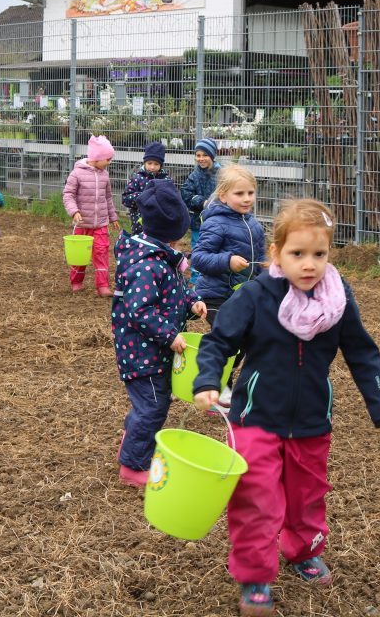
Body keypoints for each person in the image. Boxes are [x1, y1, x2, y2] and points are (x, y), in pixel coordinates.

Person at [192, 199, 380, 616]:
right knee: (255, 498)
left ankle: (303, 551)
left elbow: (362, 353)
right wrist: (207, 381)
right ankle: (254, 577)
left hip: (310, 422)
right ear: (276, 254)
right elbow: (219, 340)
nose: (309, 265)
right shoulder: (255, 296)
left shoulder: (337, 301)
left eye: (319, 254)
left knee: (306, 496)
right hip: (256, 419)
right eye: (298, 254)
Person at [111, 180, 207, 487]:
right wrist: (169, 335)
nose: (180, 245)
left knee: (149, 404)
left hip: (153, 350)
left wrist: (193, 301)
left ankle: (132, 443)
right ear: (169, 233)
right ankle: (133, 466)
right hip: (141, 353)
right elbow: (140, 310)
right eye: (179, 238)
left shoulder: (164, 257)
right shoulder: (146, 265)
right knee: (153, 405)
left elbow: (177, 289)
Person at [191, 164, 266, 324]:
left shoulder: (255, 226)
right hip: (217, 296)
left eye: (250, 193)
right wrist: (227, 261)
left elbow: (260, 258)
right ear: (223, 196)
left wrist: (268, 271)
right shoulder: (215, 223)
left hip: (242, 294)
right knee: (229, 338)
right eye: (239, 193)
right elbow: (198, 258)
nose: (247, 198)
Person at [62, 134, 120, 297]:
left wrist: (112, 217)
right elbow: (68, 195)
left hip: (100, 224)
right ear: (97, 158)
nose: (109, 162)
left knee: (101, 253)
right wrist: (74, 211)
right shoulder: (77, 174)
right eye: (107, 159)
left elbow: (108, 197)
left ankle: (102, 286)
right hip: (82, 225)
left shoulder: (104, 175)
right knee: (80, 257)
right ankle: (76, 281)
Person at [181, 137, 221, 283]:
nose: (201, 159)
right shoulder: (195, 176)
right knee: (198, 249)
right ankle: (196, 280)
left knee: (217, 248)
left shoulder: (222, 174)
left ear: (212, 156)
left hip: (218, 221)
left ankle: (214, 278)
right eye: (198, 155)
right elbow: (185, 193)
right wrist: (202, 202)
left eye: (205, 155)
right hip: (199, 222)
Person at [120, 141, 170, 233]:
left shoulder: (165, 180)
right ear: (145, 162)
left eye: (156, 164)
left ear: (161, 165)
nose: (152, 167)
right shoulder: (137, 178)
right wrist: (144, 196)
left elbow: (170, 199)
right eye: (149, 163)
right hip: (139, 226)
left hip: (160, 226)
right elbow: (125, 199)